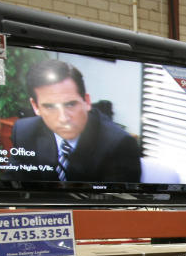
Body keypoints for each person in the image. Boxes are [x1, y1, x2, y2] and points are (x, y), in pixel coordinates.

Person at [11, 60, 141, 182]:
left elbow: (115, 202)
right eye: (50, 107)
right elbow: (12, 188)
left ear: (87, 101)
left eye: (70, 104)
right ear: (35, 106)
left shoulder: (120, 145)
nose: (63, 118)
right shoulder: (24, 132)